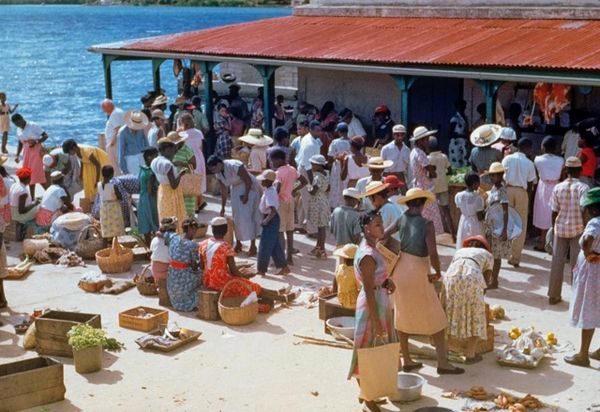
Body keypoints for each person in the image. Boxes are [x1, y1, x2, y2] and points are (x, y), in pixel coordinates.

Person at [383, 188, 464, 375]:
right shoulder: (427, 224)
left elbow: (384, 235)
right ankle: (442, 363)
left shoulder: (402, 218)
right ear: (421, 203)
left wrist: (386, 255)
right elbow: (433, 253)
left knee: (402, 314)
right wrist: (438, 271)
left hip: (401, 269)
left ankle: (407, 359)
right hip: (419, 269)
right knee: (436, 316)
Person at [347, 211, 397, 412]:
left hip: (379, 299)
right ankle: (367, 398)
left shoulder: (372, 248)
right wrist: (375, 321)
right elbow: (368, 289)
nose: (382, 227)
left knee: (376, 349)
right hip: (371, 304)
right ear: (366, 228)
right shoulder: (367, 254)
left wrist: (386, 281)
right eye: (377, 224)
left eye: (381, 223)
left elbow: (375, 279)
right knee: (367, 351)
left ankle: (370, 392)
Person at [564, 188, 600, 368]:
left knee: (589, 308)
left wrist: (588, 253)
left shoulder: (595, 222)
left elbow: (587, 239)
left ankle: (583, 354)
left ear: (592, 209)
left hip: (593, 270)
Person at [442, 235, 493, 363]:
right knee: (477, 316)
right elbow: (487, 280)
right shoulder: (487, 254)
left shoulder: (460, 251)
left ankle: (447, 349)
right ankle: (470, 354)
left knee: (451, 312)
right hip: (473, 277)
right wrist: (479, 298)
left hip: (451, 277)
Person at [548, 157, 589, 305]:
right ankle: (576, 297)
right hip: (578, 229)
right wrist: (586, 227)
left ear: (566, 170)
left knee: (556, 263)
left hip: (560, 229)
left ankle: (553, 295)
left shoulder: (558, 187)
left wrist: (553, 229)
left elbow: (554, 211)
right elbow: (585, 210)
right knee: (576, 265)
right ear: (580, 170)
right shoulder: (584, 188)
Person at [207, 155, 261, 256]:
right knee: (236, 218)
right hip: (235, 190)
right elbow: (223, 190)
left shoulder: (234, 165)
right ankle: (239, 243)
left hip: (249, 188)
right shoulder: (218, 174)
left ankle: (253, 246)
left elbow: (248, 180)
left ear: (219, 164)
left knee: (248, 217)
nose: (213, 171)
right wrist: (222, 207)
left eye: (214, 168)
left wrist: (246, 195)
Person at [502, 137, 537, 267]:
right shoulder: (529, 163)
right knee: (520, 225)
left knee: (506, 221)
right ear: (528, 148)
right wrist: (527, 200)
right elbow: (530, 183)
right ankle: (515, 258)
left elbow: (501, 177)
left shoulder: (507, 159)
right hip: (522, 192)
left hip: (507, 190)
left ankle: (502, 252)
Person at [271, 149, 307, 265]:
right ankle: (289, 257)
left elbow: (277, 188)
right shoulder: (292, 169)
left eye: (273, 160)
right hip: (290, 201)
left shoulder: (278, 173)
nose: (272, 163)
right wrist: (293, 190)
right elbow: (304, 181)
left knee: (280, 231)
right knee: (290, 230)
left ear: (279, 160)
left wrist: (272, 201)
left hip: (280, 202)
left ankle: (281, 259)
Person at [409, 126, 444, 234]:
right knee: (430, 218)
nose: (428, 142)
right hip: (425, 189)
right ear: (420, 141)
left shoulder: (413, 152)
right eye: (426, 139)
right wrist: (433, 171)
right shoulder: (421, 154)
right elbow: (432, 173)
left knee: (422, 214)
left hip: (418, 187)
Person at [256, 169, 291, 276]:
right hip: (271, 218)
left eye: (263, 180)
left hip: (271, 219)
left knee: (265, 245)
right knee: (274, 245)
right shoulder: (269, 190)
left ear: (268, 181)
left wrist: (266, 221)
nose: (261, 182)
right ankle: (283, 267)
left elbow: (273, 210)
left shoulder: (270, 192)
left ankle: (261, 269)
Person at [533, 136, 564, 251]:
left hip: (543, 187)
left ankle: (542, 243)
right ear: (556, 148)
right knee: (555, 213)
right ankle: (553, 244)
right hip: (556, 186)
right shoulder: (561, 160)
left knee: (543, 214)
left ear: (543, 147)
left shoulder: (538, 159)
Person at [165, 217, 202, 312]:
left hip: (172, 277)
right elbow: (194, 266)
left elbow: (164, 234)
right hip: (183, 277)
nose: (195, 233)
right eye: (195, 230)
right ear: (190, 229)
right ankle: (189, 301)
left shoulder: (174, 238)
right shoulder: (192, 245)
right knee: (204, 275)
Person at [484, 162, 511, 289]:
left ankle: (494, 280)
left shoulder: (502, 191)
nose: (492, 178)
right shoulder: (493, 189)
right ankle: (491, 279)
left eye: (494, 176)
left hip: (498, 226)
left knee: (496, 255)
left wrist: (504, 229)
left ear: (500, 176)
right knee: (491, 254)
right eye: (491, 176)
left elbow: (505, 210)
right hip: (490, 225)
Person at [151, 138, 187, 233]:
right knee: (174, 215)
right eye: (173, 150)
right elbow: (174, 185)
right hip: (172, 193)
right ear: (167, 150)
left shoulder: (155, 161)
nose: (174, 153)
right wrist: (180, 174)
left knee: (165, 214)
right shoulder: (167, 164)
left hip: (162, 190)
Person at [295, 120, 323, 234]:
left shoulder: (309, 138)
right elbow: (308, 167)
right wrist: (312, 183)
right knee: (310, 200)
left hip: (305, 169)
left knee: (304, 199)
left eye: (320, 130)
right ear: (310, 130)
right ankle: (312, 230)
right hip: (307, 171)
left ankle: (301, 224)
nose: (319, 133)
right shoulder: (310, 144)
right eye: (317, 131)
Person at [11, 114, 47, 197]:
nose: (18, 125)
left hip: (36, 151)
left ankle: (48, 193)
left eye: (18, 122)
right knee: (28, 174)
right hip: (26, 152)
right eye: (16, 124)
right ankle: (33, 198)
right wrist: (17, 155)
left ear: (22, 118)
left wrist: (36, 142)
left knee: (35, 174)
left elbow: (45, 136)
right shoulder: (18, 129)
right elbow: (20, 142)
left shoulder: (33, 125)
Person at [178, 112, 207, 204]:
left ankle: (194, 205)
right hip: (199, 157)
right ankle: (200, 202)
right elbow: (201, 147)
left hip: (188, 157)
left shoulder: (182, 134)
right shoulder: (199, 132)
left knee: (189, 180)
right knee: (198, 179)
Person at [429, 137, 454, 237]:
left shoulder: (428, 159)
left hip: (433, 188)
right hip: (443, 186)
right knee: (446, 211)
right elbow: (450, 170)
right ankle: (453, 235)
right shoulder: (443, 156)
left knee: (433, 212)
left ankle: (435, 235)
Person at [455, 172, 485, 250]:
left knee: (464, 242)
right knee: (476, 244)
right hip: (475, 223)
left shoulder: (459, 196)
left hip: (464, 221)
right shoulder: (478, 198)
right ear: (475, 184)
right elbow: (480, 216)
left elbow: (459, 208)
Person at [307, 154, 330, 258]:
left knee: (320, 228)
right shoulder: (327, 174)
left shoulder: (317, 177)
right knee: (321, 227)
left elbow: (313, 191)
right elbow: (328, 188)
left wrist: (309, 188)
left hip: (318, 202)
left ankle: (322, 249)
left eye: (313, 164)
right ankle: (318, 247)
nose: (312, 166)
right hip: (324, 200)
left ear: (318, 165)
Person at [469, 124, 502, 190]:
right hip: (494, 183)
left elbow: (473, 168)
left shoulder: (473, 151)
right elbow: (501, 169)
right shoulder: (496, 152)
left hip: (480, 182)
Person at [151, 217, 175, 307]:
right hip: (166, 272)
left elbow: (153, 250)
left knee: (153, 259)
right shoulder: (173, 241)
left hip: (155, 270)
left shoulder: (155, 240)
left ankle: (158, 284)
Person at [10, 167, 40, 239]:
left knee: (38, 203)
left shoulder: (15, 185)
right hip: (19, 215)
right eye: (30, 177)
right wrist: (34, 204)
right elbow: (21, 210)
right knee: (41, 208)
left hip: (13, 211)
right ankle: (37, 231)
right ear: (27, 178)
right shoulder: (23, 191)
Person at [327, 122, 352, 209]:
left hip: (337, 168)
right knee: (346, 186)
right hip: (349, 168)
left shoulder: (335, 142)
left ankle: (335, 207)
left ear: (339, 132)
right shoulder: (352, 142)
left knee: (336, 188)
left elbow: (329, 158)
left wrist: (336, 158)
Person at [138, 148, 159, 246]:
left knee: (146, 224)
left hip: (142, 199)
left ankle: (148, 247)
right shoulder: (151, 172)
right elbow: (151, 190)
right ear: (149, 157)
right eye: (156, 156)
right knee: (155, 222)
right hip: (151, 200)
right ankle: (156, 246)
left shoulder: (142, 169)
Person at [118, 110, 149, 176]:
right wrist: (124, 169)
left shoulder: (141, 129)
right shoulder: (122, 132)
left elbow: (146, 143)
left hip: (142, 156)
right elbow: (121, 151)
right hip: (130, 159)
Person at [97, 165, 124, 239]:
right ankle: (117, 245)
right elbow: (120, 196)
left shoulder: (98, 184)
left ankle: (106, 245)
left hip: (104, 207)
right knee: (116, 228)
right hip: (113, 208)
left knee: (106, 228)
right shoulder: (113, 185)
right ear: (111, 175)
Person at [332, 244, 360, 309]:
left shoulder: (339, 268)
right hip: (353, 303)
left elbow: (334, 288)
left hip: (341, 299)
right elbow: (362, 290)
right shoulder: (356, 272)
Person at [101, 99, 125, 175]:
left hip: (114, 144)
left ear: (108, 106)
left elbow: (117, 129)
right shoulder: (119, 111)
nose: (103, 110)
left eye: (103, 108)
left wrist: (111, 143)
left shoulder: (115, 114)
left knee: (115, 165)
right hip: (118, 142)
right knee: (118, 163)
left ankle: (119, 180)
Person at [448, 99, 469, 168]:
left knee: (464, 162)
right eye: (460, 106)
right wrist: (462, 135)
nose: (463, 108)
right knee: (456, 163)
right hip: (456, 145)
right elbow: (450, 134)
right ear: (457, 107)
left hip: (463, 144)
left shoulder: (465, 118)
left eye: (464, 106)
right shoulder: (454, 119)